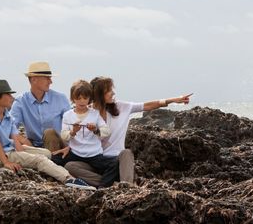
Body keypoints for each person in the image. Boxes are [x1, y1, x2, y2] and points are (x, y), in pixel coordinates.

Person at [64, 76, 192, 187]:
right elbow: (75, 135)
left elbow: (147, 105)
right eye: (109, 90)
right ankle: (108, 184)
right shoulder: (86, 112)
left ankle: (126, 186)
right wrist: (69, 147)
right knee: (70, 166)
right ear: (99, 94)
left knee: (126, 153)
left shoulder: (121, 107)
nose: (113, 93)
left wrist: (174, 100)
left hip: (117, 162)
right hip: (95, 163)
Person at [0, 79, 95, 190]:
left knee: (47, 153)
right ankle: (69, 179)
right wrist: (6, 162)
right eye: (8, 95)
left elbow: (14, 138)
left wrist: (23, 155)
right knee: (40, 160)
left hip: (9, 149)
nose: (11, 97)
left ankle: (58, 170)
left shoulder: (7, 115)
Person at [51, 80, 119, 188]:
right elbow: (64, 135)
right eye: (78, 98)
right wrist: (73, 132)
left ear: (89, 99)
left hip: (94, 155)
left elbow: (106, 131)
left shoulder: (95, 114)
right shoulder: (67, 115)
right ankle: (81, 182)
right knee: (53, 158)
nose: (82, 101)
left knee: (114, 163)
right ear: (73, 99)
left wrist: (95, 130)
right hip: (76, 154)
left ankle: (101, 188)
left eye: (85, 98)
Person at [10, 62, 70, 154]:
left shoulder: (60, 98)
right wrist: (23, 140)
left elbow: (72, 125)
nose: (51, 81)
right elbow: (9, 126)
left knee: (49, 133)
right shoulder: (21, 101)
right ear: (34, 80)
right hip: (34, 146)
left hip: (58, 146)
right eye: (47, 78)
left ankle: (53, 161)